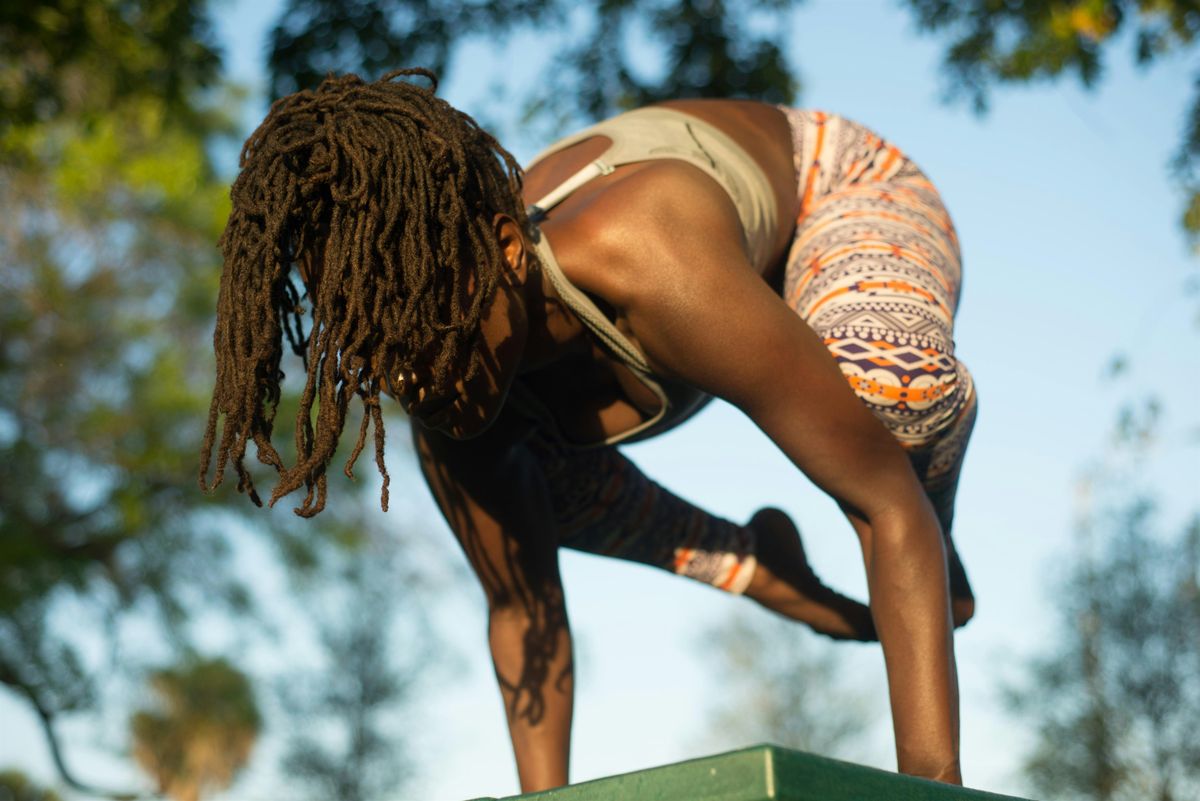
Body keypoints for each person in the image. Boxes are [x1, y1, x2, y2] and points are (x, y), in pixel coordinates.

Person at [201, 68, 977, 791]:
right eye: (383, 360)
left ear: (506, 250)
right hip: (704, 296)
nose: (414, 383)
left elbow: (883, 501)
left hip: (831, 189)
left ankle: (932, 558)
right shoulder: (440, 391)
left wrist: (931, 787)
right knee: (523, 486)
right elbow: (522, 612)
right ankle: (756, 563)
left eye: (432, 345)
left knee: (885, 398)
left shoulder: (642, 249)